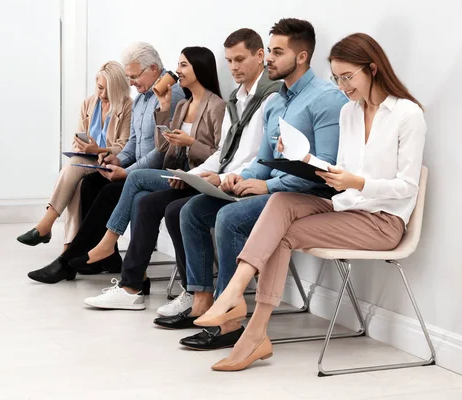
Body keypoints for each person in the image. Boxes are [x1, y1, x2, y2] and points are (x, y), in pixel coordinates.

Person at [195, 32, 426, 371]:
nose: (342, 85)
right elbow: (343, 170)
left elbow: (407, 187)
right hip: (347, 205)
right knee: (282, 202)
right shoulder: (350, 112)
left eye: (348, 77)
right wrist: (307, 161)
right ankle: (235, 296)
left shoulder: (407, 114)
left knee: (283, 231)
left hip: (382, 221)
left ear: (373, 69)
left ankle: (252, 328)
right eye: (336, 78)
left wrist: (356, 182)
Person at [177, 18, 348, 351]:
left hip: (309, 196)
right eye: (269, 50)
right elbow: (263, 160)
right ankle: (203, 300)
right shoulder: (277, 102)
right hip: (275, 190)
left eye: (277, 52)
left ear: (301, 57)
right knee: (195, 210)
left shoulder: (326, 99)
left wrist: (268, 187)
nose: (268, 58)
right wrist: (244, 178)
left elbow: (324, 170)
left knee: (230, 218)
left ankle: (230, 322)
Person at [72, 46, 226, 310]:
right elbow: (166, 150)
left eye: (184, 65)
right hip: (178, 175)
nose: (177, 71)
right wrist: (164, 111)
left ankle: (109, 242)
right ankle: (131, 287)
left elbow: (221, 156)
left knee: (136, 180)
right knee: (142, 200)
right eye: (178, 64)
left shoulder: (217, 106)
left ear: (200, 69)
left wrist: (190, 142)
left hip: (201, 178)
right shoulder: (181, 104)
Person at [148, 28, 282, 319]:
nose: (233, 67)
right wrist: (193, 174)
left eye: (239, 59)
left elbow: (263, 158)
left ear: (260, 55)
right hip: (227, 180)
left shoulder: (273, 98)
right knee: (188, 211)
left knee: (206, 214)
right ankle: (201, 297)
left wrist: (221, 178)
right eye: (229, 60)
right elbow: (222, 152)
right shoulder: (237, 98)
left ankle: (227, 307)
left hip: (249, 184)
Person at [27, 42, 185, 283]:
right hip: (137, 169)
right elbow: (133, 142)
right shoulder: (143, 97)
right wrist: (116, 159)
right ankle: (106, 258)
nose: (130, 83)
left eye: (134, 76)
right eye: (129, 77)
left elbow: (161, 152)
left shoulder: (169, 95)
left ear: (153, 69)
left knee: (109, 191)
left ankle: (66, 263)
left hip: (155, 172)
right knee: (91, 183)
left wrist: (126, 172)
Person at [16, 61, 132, 247]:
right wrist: (81, 147)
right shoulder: (88, 104)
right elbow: (78, 138)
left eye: (107, 90)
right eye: (100, 88)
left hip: (110, 162)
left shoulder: (127, 106)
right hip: (86, 162)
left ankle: (46, 226)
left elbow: (125, 147)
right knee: (77, 185)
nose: (102, 94)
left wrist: (97, 150)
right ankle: (68, 249)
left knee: (73, 166)